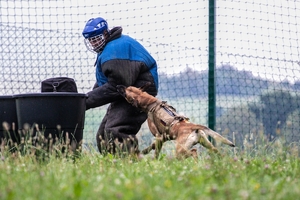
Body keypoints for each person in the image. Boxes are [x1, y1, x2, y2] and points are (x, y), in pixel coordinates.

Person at [82, 17, 158, 156]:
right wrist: (85, 99)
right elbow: (105, 82)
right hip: (125, 92)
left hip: (139, 92)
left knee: (116, 130)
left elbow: (116, 85)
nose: (93, 43)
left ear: (105, 33)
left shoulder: (115, 48)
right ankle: (113, 165)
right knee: (103, 135)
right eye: (91, 40)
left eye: (96, 38)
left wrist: (84, 102)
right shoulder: (108, 49)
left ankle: (130, 165)